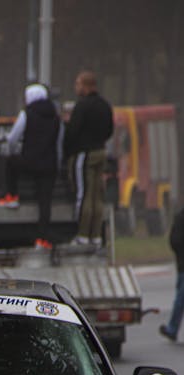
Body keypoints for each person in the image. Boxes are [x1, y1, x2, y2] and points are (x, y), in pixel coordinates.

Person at [0, 83, 60, 250]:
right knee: (45, 203)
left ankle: (12, 196)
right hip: (49, 165)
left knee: (11, 163)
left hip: (30, 162)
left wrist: (12, 151)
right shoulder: (55, 115)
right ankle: (42, 239)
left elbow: (13, 138)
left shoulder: (27, 114)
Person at [63, 70, 113, 247]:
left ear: (86, 86)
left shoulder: (82, 106)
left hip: (85, 154)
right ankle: (96, 235)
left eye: (78, 84)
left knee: (84, 194)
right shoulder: (105, 105)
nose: (76, 87)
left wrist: (69, 151)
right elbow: (110, 130)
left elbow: (73, 131)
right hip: (101, 151)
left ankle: (83, 234)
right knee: (97, 195)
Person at [159, 207, 184, 342]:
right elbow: (175, 241)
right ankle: (172, 329)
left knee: (180, 300)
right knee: (180, 299)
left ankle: (172, 329)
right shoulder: (181, 217)